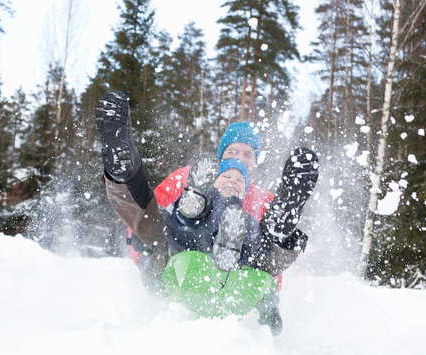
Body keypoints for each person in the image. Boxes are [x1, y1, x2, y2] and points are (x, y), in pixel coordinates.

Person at [96, 90, 319, 334]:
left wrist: (269, 300)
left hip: (239, 275)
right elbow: (148, 215)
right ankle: (124, 171)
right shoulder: (188, 176)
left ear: (256, 161)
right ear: (222, 153)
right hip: (175, 258)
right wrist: (143, 256)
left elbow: (269, 263)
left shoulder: (262, 199)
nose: (241, 158)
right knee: (161, 223)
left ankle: (287, 209)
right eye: (233, 151)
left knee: (271, 236)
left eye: (248, 154)